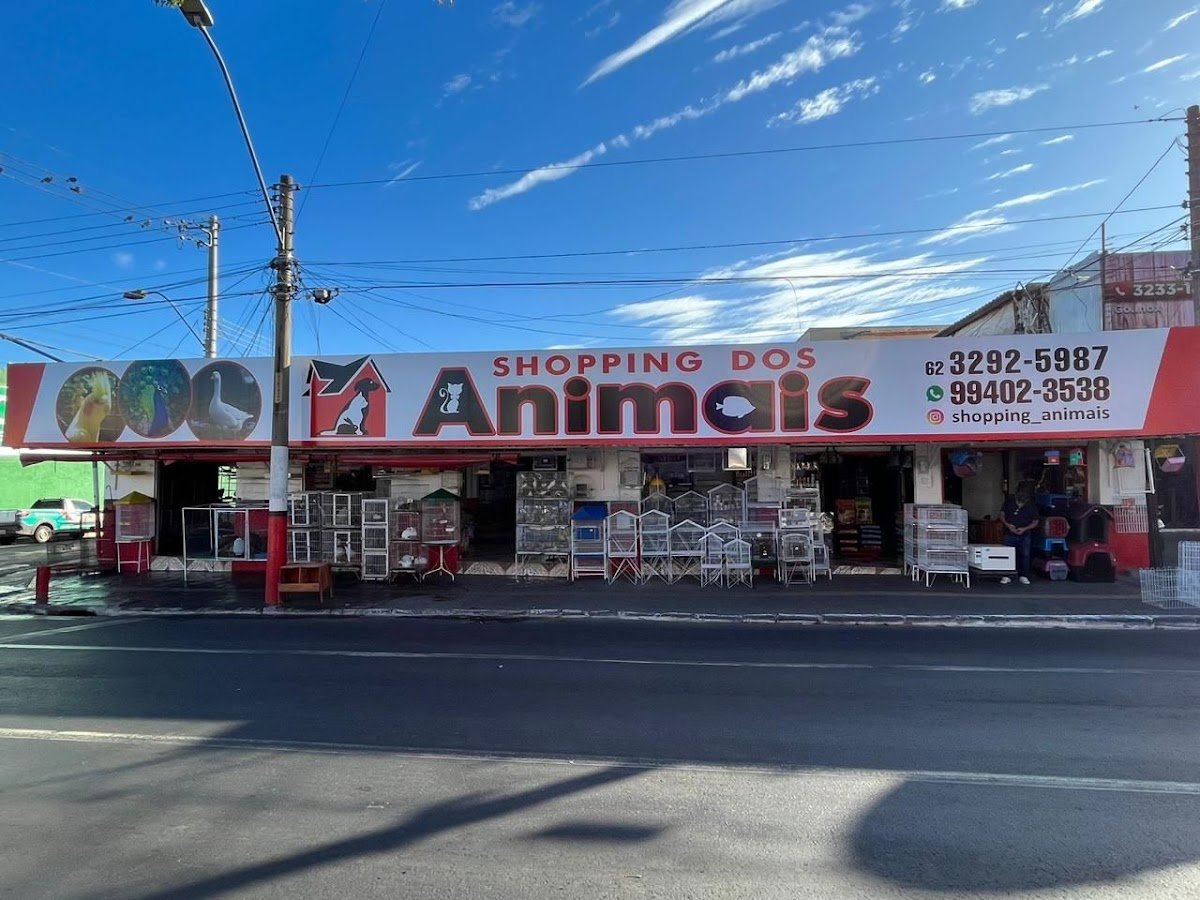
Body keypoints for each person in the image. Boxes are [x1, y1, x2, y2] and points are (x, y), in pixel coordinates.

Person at [999, 488, 1039, 585]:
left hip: (1024, 533)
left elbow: (1036, 521)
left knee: (1025, 555)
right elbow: (1001, 515)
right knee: (1006, 555)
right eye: (1019, 501)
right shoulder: (1009, 502)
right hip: (1009, 533)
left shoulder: (1031, 506)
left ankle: (1023, 575)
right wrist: (1008, 525)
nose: (1020, 504)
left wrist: (1025, 528)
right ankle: (1006, 575)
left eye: (1022, 502)